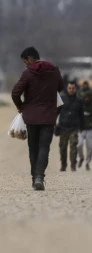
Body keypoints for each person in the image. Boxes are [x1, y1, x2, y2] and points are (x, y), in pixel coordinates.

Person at [11, 46, 64, 190]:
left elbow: (15, 93)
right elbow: (61, 87)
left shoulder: (28, 73)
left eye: (25, 61)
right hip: (48, 116)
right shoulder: (54, 70)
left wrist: (21, 107)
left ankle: (35, 178)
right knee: (44, 148)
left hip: (31, 117)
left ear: (30, 58)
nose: (26, 64)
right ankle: (40, 177)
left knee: (33, 148)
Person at [57, 82, 84, 172]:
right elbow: (56, 112)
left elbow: (81, 115)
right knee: (63, 148)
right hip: (63, 127)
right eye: (70, 88)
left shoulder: (79, 101)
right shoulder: (61, 99)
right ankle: (63, 165)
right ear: (67, 89)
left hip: (74, 128)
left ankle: (73, 165)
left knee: (73, 146)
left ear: (75, 89)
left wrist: (81, 127)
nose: (71, 90)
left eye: (73, 88)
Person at [77, 92, 92, 171]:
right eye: (85, 97)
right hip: (81, 129)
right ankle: (81, 157)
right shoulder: (80, 106)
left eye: (88, 97)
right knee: (79, 145)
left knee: (90, 147)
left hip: (91, 129)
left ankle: (87, 162)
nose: (87, 99)